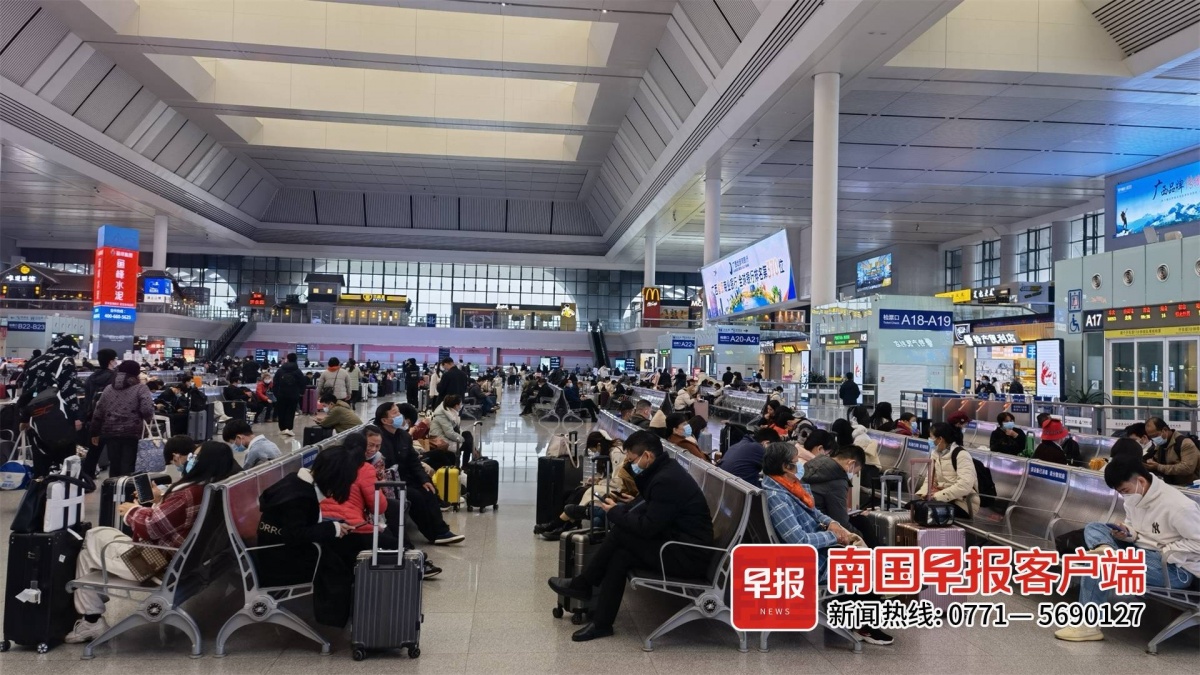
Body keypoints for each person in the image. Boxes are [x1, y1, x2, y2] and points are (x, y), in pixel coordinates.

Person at [547, 431, 714, 642]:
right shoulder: (664, 471)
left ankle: (584, 584)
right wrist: (624, 507)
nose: (629, 464)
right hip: (676, 544)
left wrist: (616, 513)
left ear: (647, 456)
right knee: (621, 556)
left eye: (631, 460)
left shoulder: (666, 480)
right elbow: (650, 508)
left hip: (688, 556)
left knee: (621, 533)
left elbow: (647, 528)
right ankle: (601, 623)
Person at [65, 441, 239, 643]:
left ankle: (91, 621)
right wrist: (159, 501)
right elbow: (174, 520)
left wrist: (131, 510)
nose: (191, 458)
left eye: (196, 456)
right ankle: (91, 620)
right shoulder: (214, 489)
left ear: (205, 462)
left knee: (91, 538)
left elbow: (151, 527)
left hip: (155, 564)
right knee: (92, 549)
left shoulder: (188, 493)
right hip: (187, 561)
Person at [1053, 456, 1200, 642]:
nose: (1124, 496)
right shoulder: (1134, 496)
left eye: (1124, 491)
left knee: (1101, 564)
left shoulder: (1180, 507)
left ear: (1140, 481)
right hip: (1141, 552)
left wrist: (1164, 550)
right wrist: (1128, 533)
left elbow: (1197, 542)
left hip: (1174, 568)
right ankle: (1105, 547)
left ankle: (1088, 625)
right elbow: (1136, 529)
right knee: (1094, 528)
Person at [759, 441, 893, 645]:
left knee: (871, 558)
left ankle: (852, 618)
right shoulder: (778, 498)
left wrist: (832, 524)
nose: (800, 465)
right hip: (806, 562)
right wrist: (834, 537)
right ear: (786, 467)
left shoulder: (786, 487)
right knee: (872, 567)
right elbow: (799, 541)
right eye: (796, 462)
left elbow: (814, 513)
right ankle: (863, 625)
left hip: (815, 552)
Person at [371, 404, 464, 545]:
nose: (400, 416)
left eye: (399, 412)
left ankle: (442, 531)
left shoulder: (403, 436)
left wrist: (424, 479)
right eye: (395, 413)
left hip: (406, 478)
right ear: (384, 420)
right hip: (390, 483)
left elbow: (414, 461)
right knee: (416, 497)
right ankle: (434, 534)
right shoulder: (378, 440)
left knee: (429, 490)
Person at [15, 334, 84, 477]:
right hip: (59, 418)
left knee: (41, 462)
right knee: (65, 464)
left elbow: (27, 391)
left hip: (35, 418)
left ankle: (40, 488)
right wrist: (76, 417)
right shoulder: (65, 361)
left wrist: (24, 417)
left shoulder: (35, 361)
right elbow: (68, 392)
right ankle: (62, 488)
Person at [89, 360, 155, 479]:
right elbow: (147, 409)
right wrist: (147, 419)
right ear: (136, 373)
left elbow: (98, 412)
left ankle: (113, 488)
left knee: (114, 464)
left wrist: (94, 432)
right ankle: (126, 488)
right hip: (132, 432)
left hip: (110, 432)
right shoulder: (141, 388)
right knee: (128, 465)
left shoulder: (108, 388)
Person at [802, 444, 868, 542]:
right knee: (863, 523)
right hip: (820, 528)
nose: (852, 475)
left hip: (805, 522)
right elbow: (841, 523)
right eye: (854, 472)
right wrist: (861, 538)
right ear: (851, 463)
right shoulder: (838, 481)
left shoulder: (812, 465)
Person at [916, 422, 979, 519]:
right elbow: (929, 480)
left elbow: (964, 486)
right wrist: (924, 494)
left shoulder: (961, 455)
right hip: (943, 499)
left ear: (940, 439)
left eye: (931, 437)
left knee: (925, 512)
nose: (929, 440)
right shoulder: (935, 454)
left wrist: (936, 497)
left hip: (963, 503)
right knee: (912, 506)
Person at [80, 348, 119, 479]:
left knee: (93, 451)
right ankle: (115, 480)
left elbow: (87, 399)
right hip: (111, 420)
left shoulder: (91, 378)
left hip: (93, 418)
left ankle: (87, 478)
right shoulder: (115, 377)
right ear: (111, 361)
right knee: (115, 452)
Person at [1143, 416, 1200, 486]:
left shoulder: (1185, 443)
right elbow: (1155, 460)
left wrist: (1159, 467)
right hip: (1170, 485)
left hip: (1188, 487)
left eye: (1155, 436)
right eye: (1151, 437)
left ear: (1164, 430)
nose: (1154, 439)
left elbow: (1187, 468)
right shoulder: (1160, 446)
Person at [430, 394, 474, 468]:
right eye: (460, 404)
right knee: (467, 444)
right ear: (456, 406)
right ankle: (466, 464)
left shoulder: (449, 412)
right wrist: (463, 440)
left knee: (467, 434)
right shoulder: (442, 415)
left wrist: (463, 438)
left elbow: (456, 429)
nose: (461, 406)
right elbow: (449, 433)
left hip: (446, 437)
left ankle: (467, 463)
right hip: (441, 440)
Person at [272, 353, 306, 437]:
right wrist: (301, 393)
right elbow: (302, 382)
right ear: (295, 359)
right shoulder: (297, 371)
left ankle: (282, 429)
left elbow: (275, 382)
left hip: (281, 394)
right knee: (291, 411)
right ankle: (289, 429)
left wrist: (276, 393)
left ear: (287, 359)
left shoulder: (280, 370)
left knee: (281, 411)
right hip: (293, 395)